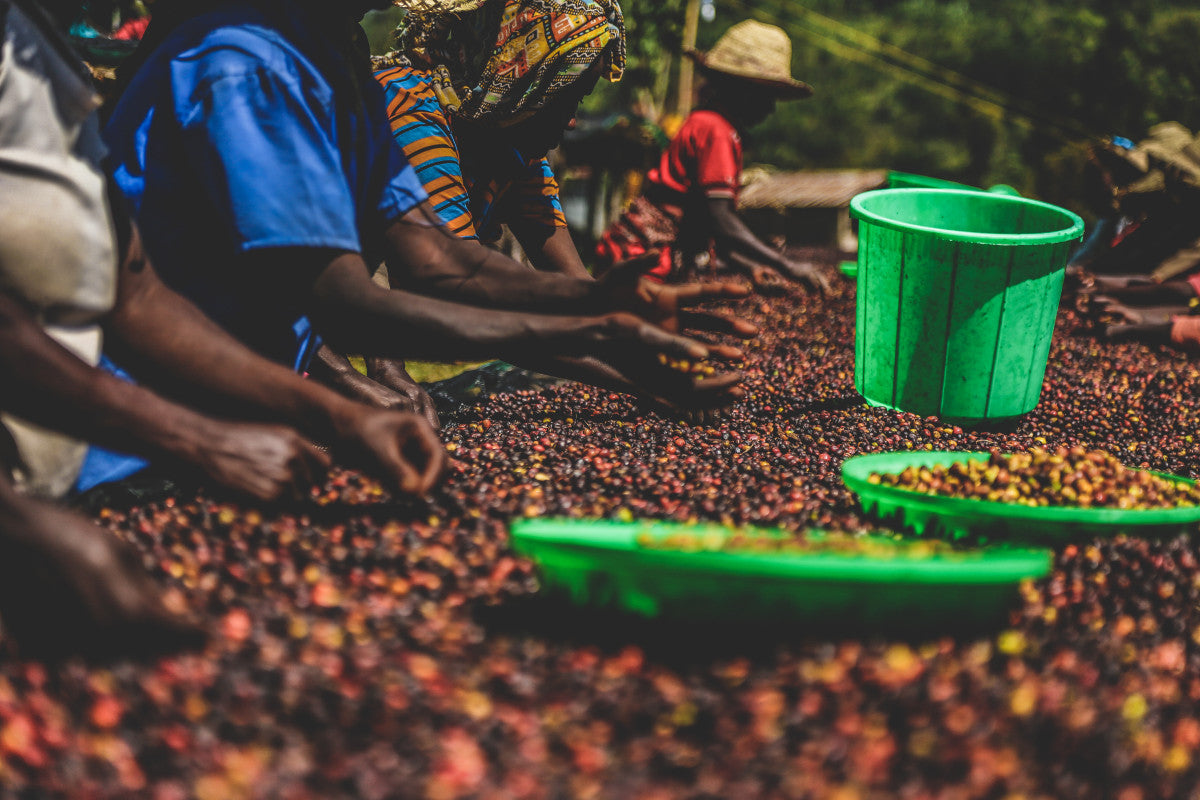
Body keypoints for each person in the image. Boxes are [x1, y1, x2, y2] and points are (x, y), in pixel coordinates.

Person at [101, 0, 749, 452]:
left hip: (239, 392)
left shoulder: (336, 59)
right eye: (566, 89)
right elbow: (340, 296)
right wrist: (603, 329)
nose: (573, 115)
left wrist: (603, 305)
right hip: (151, 405)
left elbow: (435, 256)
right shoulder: (251, 64)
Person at [0, 0, 432, 657]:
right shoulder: (232, 68)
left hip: (53, 502)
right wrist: (196, 440)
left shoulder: (46, 57)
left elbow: (135, 296)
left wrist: (336, 417)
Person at [596, 20, 829, 292]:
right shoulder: (716, 130)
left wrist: (751, 267)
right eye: (767, 95)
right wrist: (789, 266)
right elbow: (721, 221)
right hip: (641, 259)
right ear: (742, 90)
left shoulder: (712, 125)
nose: (771, 108)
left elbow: (707, 222)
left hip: (642, 255)